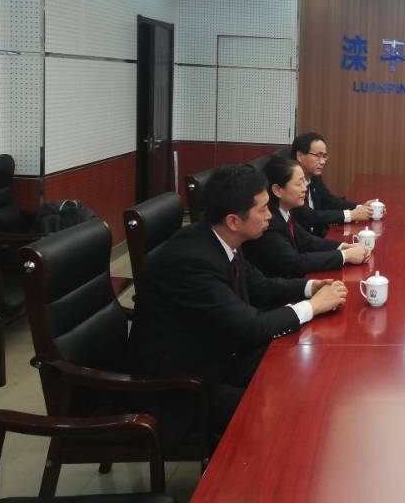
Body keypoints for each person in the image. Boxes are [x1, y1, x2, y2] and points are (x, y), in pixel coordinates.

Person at [129, 164, 348, 439]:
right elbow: (250, 326)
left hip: (221, 353)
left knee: (300, 366)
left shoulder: (220, 237)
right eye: (263, 209)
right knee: (280, 411)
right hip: (182, 387)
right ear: (233, 221)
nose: (270, 216)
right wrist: (313, 306)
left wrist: (310, 287)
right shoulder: (192, 261)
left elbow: (261, 286)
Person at [244, 155, 371, 277]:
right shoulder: (268, 222)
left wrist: (344, 246)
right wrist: (345, 256)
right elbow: (296, 263)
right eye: (298, 183)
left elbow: (307, 240)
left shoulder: (285, 210)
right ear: (277, 190)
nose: (305, 188)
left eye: (304, 181)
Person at [291, 132, 374, 237]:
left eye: (324, 156)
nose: (322, 162)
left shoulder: (314, 176)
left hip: (317, 236)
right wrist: (351, 215)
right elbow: (310, 217)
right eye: (318, 156)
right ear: (300, 156)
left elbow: (329, 201)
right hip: (302, 241)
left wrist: (362, 208)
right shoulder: (290, 184)